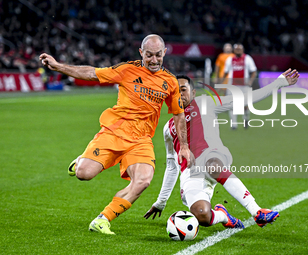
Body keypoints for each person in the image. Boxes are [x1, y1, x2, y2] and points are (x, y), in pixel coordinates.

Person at [39, 34, 194, 235]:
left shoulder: (170, 82)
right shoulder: (127, 70)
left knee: (143, 180)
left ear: (164, 53)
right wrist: (59, 66)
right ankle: (80, 162)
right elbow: (92, 73)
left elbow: (179, 115)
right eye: (149, 55)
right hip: (114, 133)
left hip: (141, 141)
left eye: (158, 55)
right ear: (141, 53)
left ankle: (103, 219)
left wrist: (184, 146)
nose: (154, 60)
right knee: (83, 174)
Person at [144, 70, 299, 229]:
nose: (179, 94)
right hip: (190, 174)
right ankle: (223, 215)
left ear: (193, 92)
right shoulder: (167, 128)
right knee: (202, 215)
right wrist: (161, 202)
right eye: (175, 91)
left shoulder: (205, 103)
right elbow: (171, 166)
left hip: (212, 156)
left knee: (211, 163)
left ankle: (257, 211)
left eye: (183, 89)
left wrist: (278, 83)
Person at [223, 43, 257, 129]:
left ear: (243, 50)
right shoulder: (230, 59)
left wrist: (250, 82)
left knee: (245, 105)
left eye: (239, 49)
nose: (238, 51)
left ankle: (246, 119)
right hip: (232, 85)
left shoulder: (248, 58)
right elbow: (226, 72)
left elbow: (253, 71)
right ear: (234, 50)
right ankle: (234, 124)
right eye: (236, 49)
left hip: (244, 85)